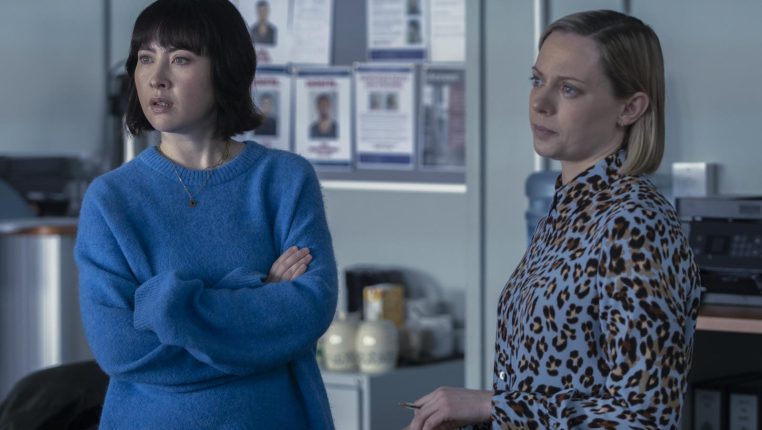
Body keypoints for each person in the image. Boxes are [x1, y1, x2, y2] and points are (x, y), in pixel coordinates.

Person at [406, 10, 701, 430]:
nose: (540, 103)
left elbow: (645, 417)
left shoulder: (635, 223)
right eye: (537, 80)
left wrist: (492, 407)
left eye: (568, 89)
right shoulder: (567, 208)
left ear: (630, 108)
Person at [74, 0, 337, 428]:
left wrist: (169, 307)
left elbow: (309, 310)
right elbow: (121, 349)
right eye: (146, 58)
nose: (157, 78)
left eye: (180, 59)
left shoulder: (285, 179)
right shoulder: (111, 199)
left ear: (225, 68)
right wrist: (254, 293)